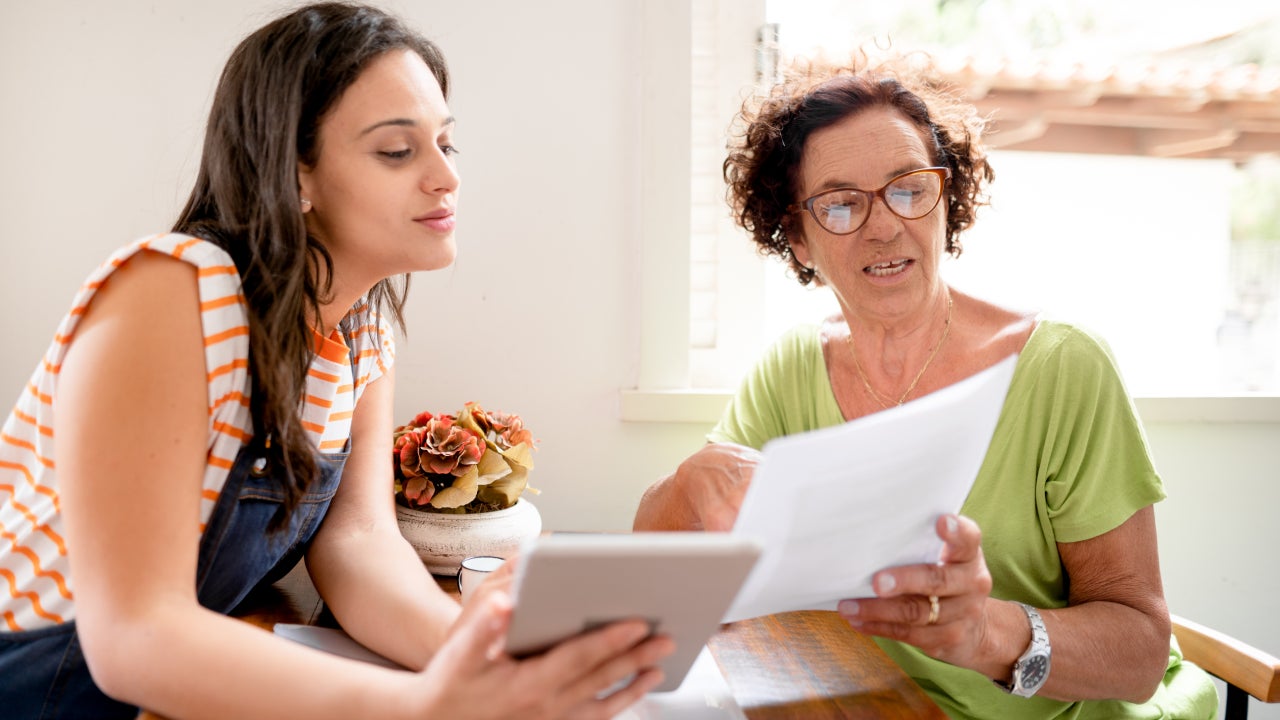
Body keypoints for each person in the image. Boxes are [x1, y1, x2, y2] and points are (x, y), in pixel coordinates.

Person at [0, 3, 672, 718]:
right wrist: (425, 706)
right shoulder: (175, 289)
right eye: (397, 150)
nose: (446, 177)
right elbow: (134, 633)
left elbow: (356, 541)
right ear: (297, 175)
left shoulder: (361, 323)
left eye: (447, 143)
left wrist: (490, 664)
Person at [633, 55, 1218, 719]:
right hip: (884, 704)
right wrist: (686, 485)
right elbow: (658, 550)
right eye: (842, 203)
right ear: (797, 238)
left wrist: (986, 633)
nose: (885, 225)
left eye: (909, 188)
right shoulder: (793, 367)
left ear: (947, 200)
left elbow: (1140, 653)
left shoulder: (1062, 368)